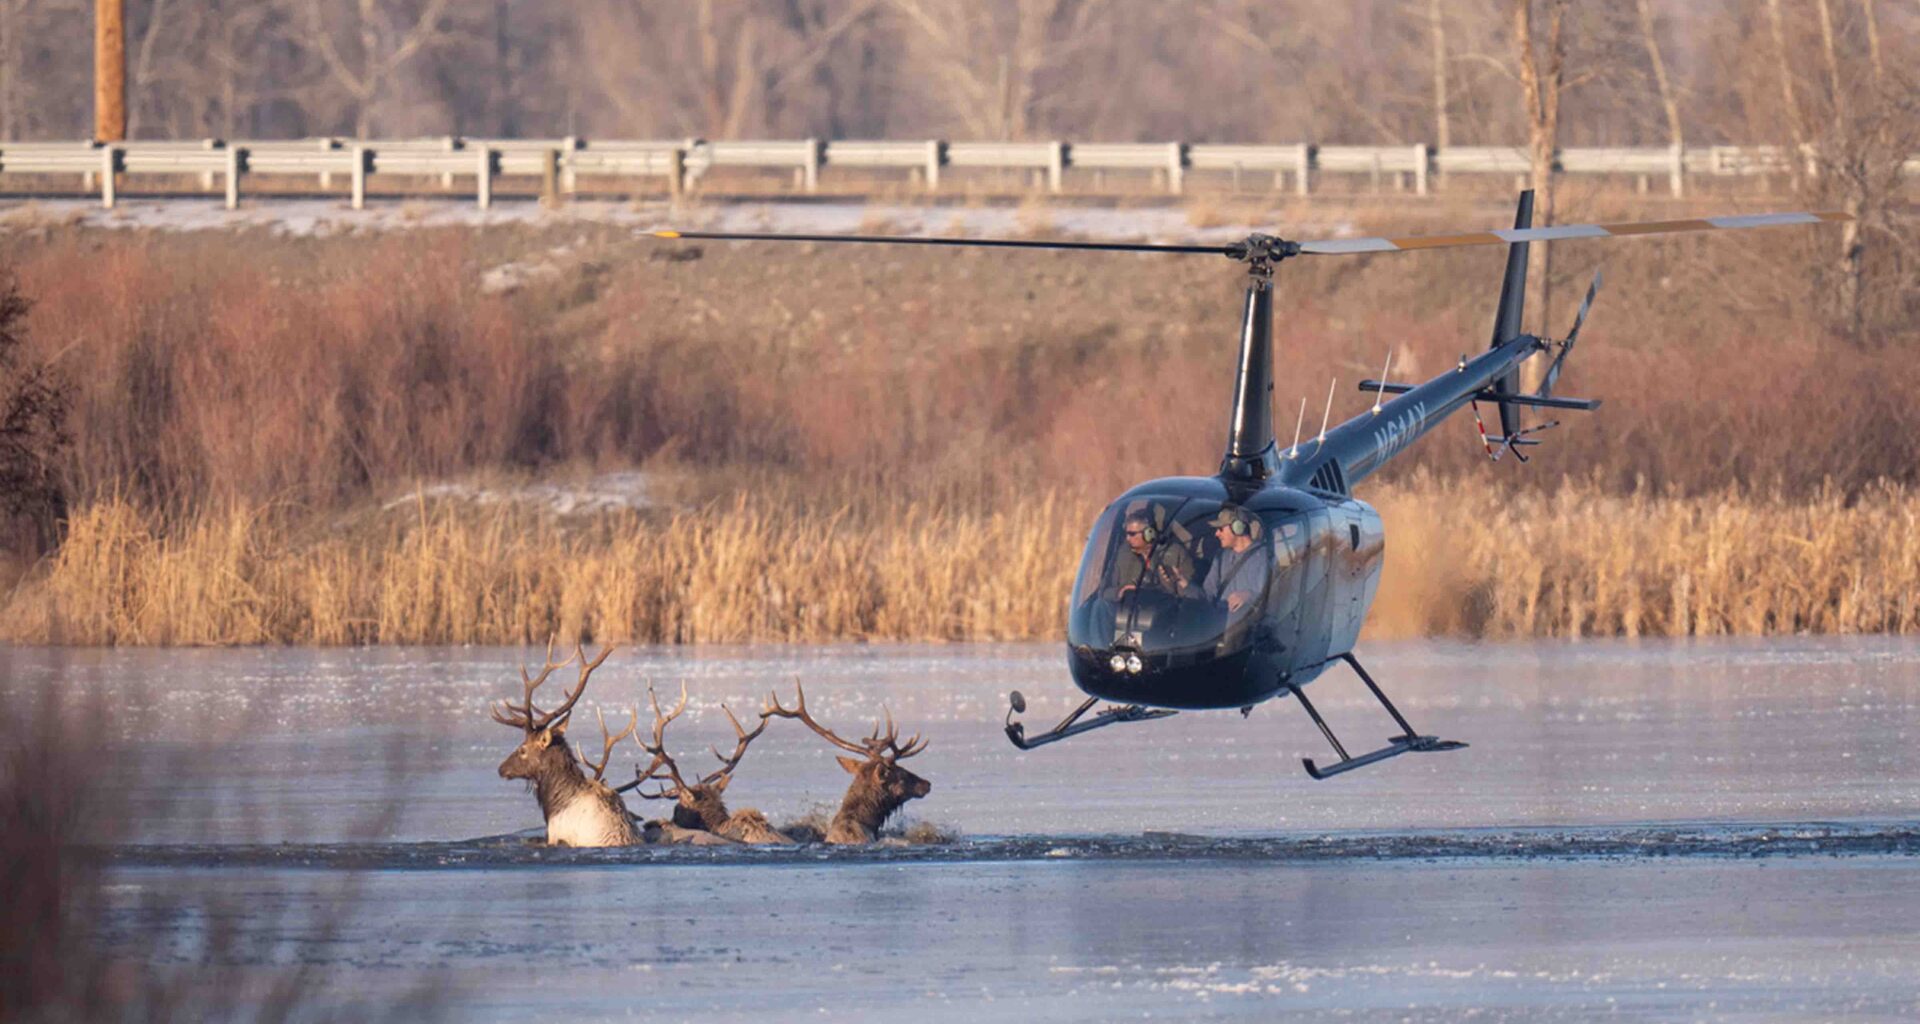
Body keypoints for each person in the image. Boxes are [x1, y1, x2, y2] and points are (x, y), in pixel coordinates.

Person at [1102, 510, 1198, 602]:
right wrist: (1120, 592)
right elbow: (1103, 592)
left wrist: (1173, 584)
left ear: (1149, 534)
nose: (1127, 538)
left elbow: (1193, 599)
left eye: (1132, 534)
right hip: (1129, 614)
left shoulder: (1177, 554)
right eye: (1126, 534)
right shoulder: (1122, 554)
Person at [1203, 506, 1266, 614]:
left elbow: (1272, 596)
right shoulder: (1221, 556)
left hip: (1245, 625)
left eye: (1221, 529)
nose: (1216, 534)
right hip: (1218, 624)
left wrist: (1249, 596)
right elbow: (1208, 594)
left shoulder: (1263, 557)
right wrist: (1185, 586)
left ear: (1238, 528)